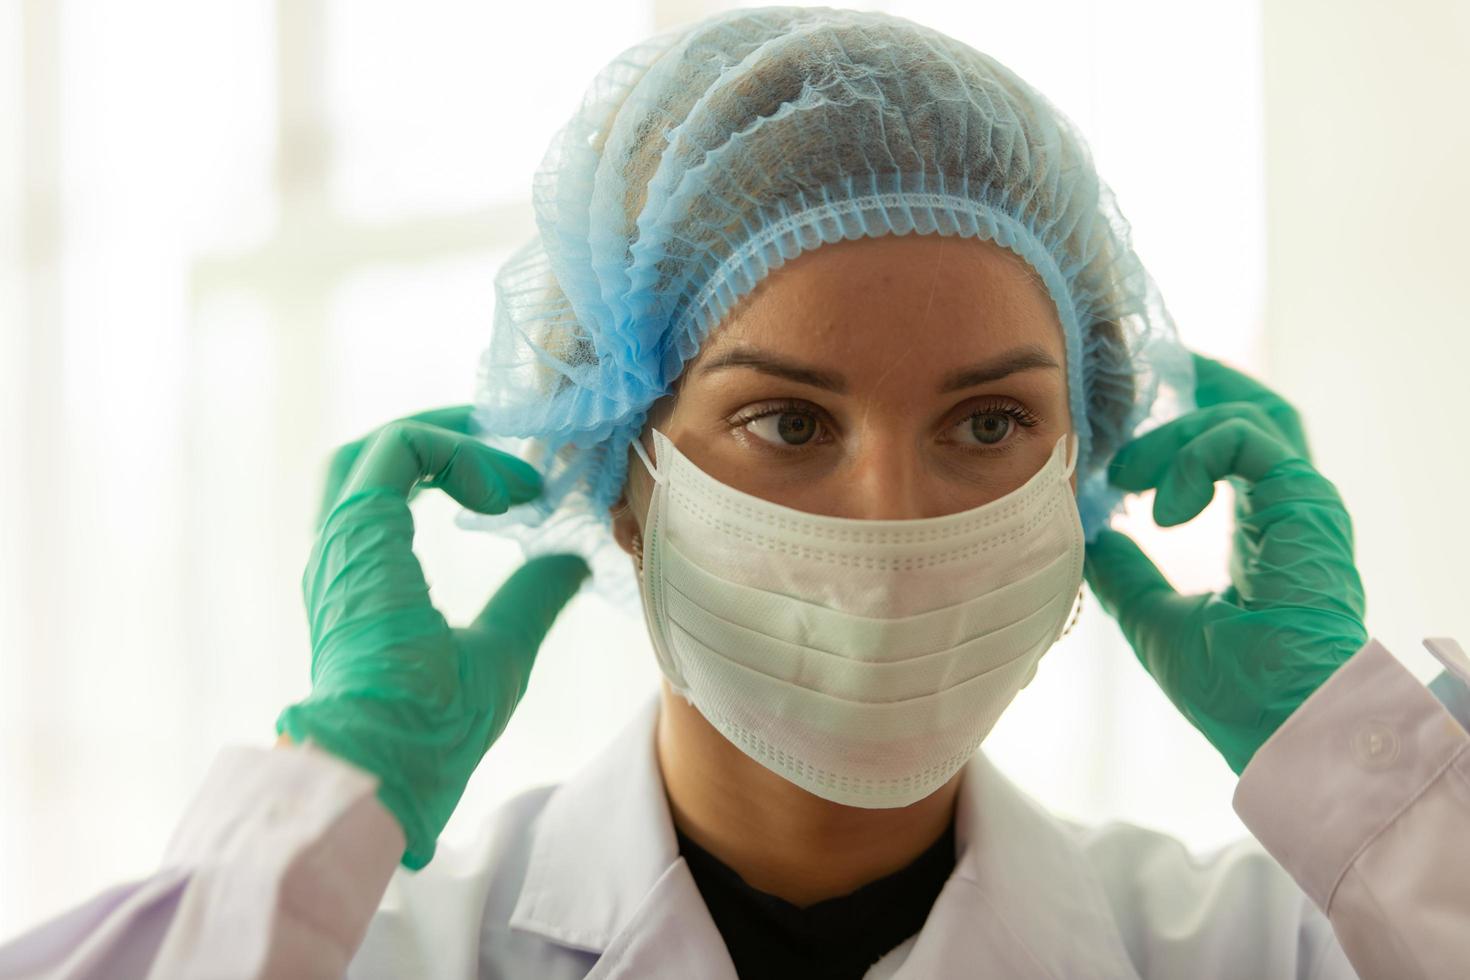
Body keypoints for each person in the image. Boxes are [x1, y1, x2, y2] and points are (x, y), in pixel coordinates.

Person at [3, 6, 1468, 979]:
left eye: (986, 422)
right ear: (619, 468)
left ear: (1082, 477)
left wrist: (1377, 784)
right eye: (783, 418)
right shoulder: (344, 950)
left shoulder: (1277, 945)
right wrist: (327, 802)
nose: (891, 514)